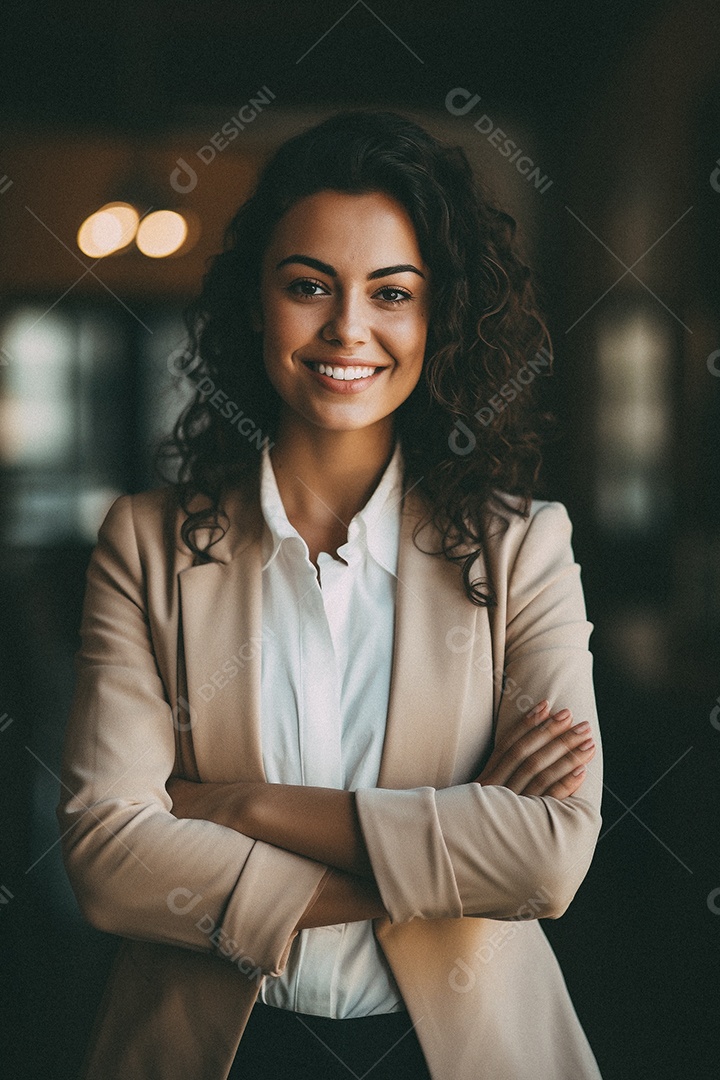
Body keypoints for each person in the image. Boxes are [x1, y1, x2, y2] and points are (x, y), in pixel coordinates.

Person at [58, 110, 604, 1080]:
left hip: (460, 1052)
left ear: (440, 320)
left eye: (393, 294)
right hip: (213, 1050)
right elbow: (108, 862)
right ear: (256, 304)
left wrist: (242, 805)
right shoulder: (143, 543)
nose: (349, 328)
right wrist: (453, 844)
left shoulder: (525, 549)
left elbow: (548, 859)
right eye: (310, 286)